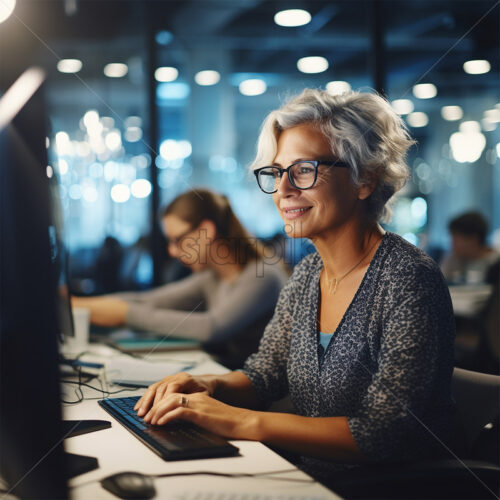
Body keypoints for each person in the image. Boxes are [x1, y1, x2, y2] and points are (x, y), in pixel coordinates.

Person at [133, 89, 456, 484]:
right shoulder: (306, 275)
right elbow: (265, 375)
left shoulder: (408, 279)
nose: (283, 190)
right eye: (276, 172)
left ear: (365, 179)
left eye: (303, 170)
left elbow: (382, 432)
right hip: (302, 477)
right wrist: (207, 385)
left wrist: (246, 423)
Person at [72, 189, 288, 368]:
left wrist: (125, 314)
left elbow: (212, 327)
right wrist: (80, 303)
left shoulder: (263, 275)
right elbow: (151, 300)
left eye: (178, 240)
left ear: (206, 230)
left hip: (266, 402)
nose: (173, 251)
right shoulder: (212, 277)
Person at [440, 211, 499, 284]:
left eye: (455, 238)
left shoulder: (495, 263)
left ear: (473, 239)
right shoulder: (452, 260)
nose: (451, 243)